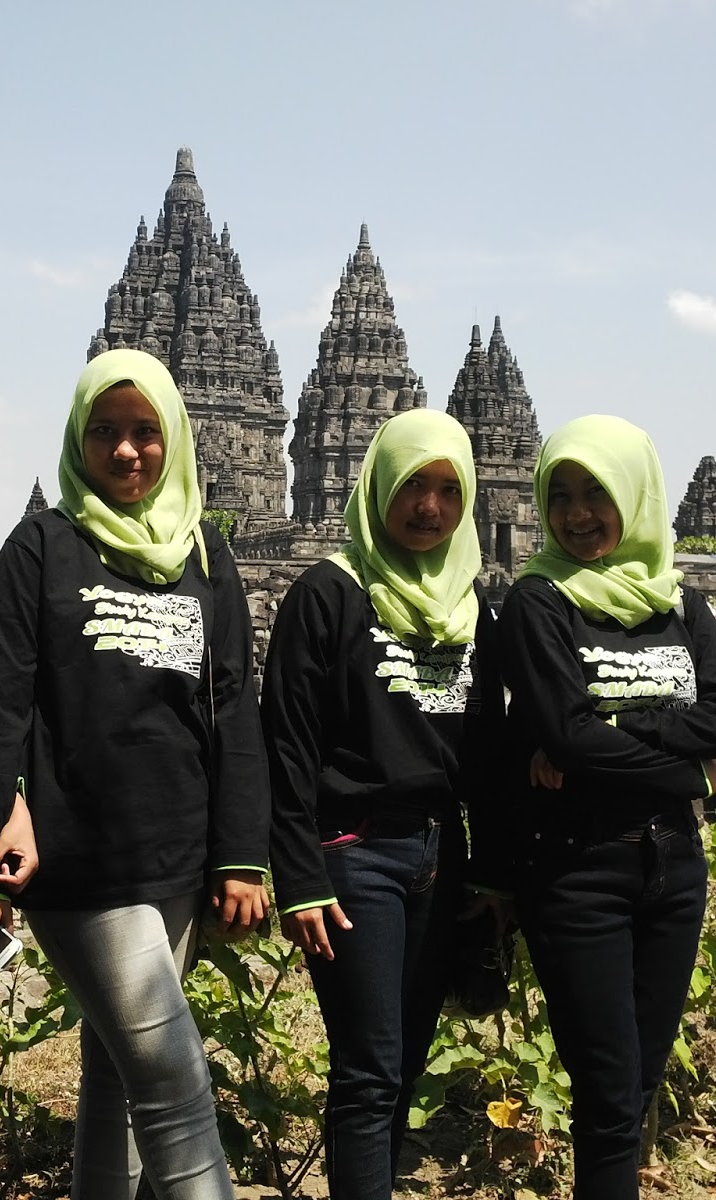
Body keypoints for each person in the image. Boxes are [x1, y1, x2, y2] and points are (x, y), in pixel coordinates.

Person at [0, 348, 270, 1200]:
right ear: (78, 440)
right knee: (174, 1084)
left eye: (145, 433)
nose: (127, 452)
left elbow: (234, 706)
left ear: (174, 441)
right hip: (78, 857)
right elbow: (0, 705)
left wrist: (242, 853)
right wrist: (3, 811)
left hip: (177, 850)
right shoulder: (43, 548)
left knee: (118, 1081)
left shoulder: (205, 553)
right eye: (106, 433)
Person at [486, 415, 716, 1200]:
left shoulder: (681, 601)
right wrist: (686, 770)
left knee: (637, 1084)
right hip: (577, 870)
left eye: (597, 494)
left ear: (636, 498)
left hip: (674, 866)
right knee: (606, 1094)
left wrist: (621, 727)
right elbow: (567, 739)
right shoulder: (540, 602)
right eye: (560, 495)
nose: (577, 514)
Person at [262, 409, 497, 1200]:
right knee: (368, 1069)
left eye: (445, 490)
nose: (427, 507)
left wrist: (495, 873)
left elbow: (491, 745)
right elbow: (287, 746)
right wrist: (299, 877)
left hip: (441, 855)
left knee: (404, 1065)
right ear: (377, 487)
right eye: (410, 486)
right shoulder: (328, 595)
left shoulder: (470, 608)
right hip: (353, 855)